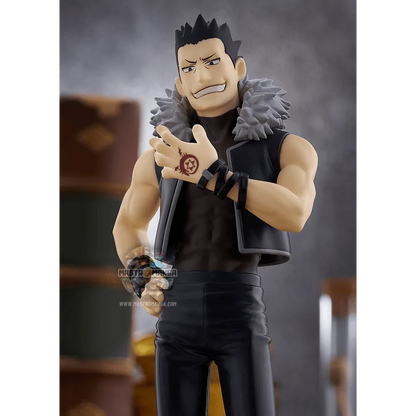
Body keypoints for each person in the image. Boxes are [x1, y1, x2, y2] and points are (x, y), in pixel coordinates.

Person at [113, 14, 318, 416]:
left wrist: (214, 177)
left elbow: (295, 213)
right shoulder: (158, 157)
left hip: (239, 305)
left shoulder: (286, 148)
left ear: (238, 68)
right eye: (189, 68)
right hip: (177, 307)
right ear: (179, 84)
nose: (202, 76)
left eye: (211, 61)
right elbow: (127, 223)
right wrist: (141, 274)